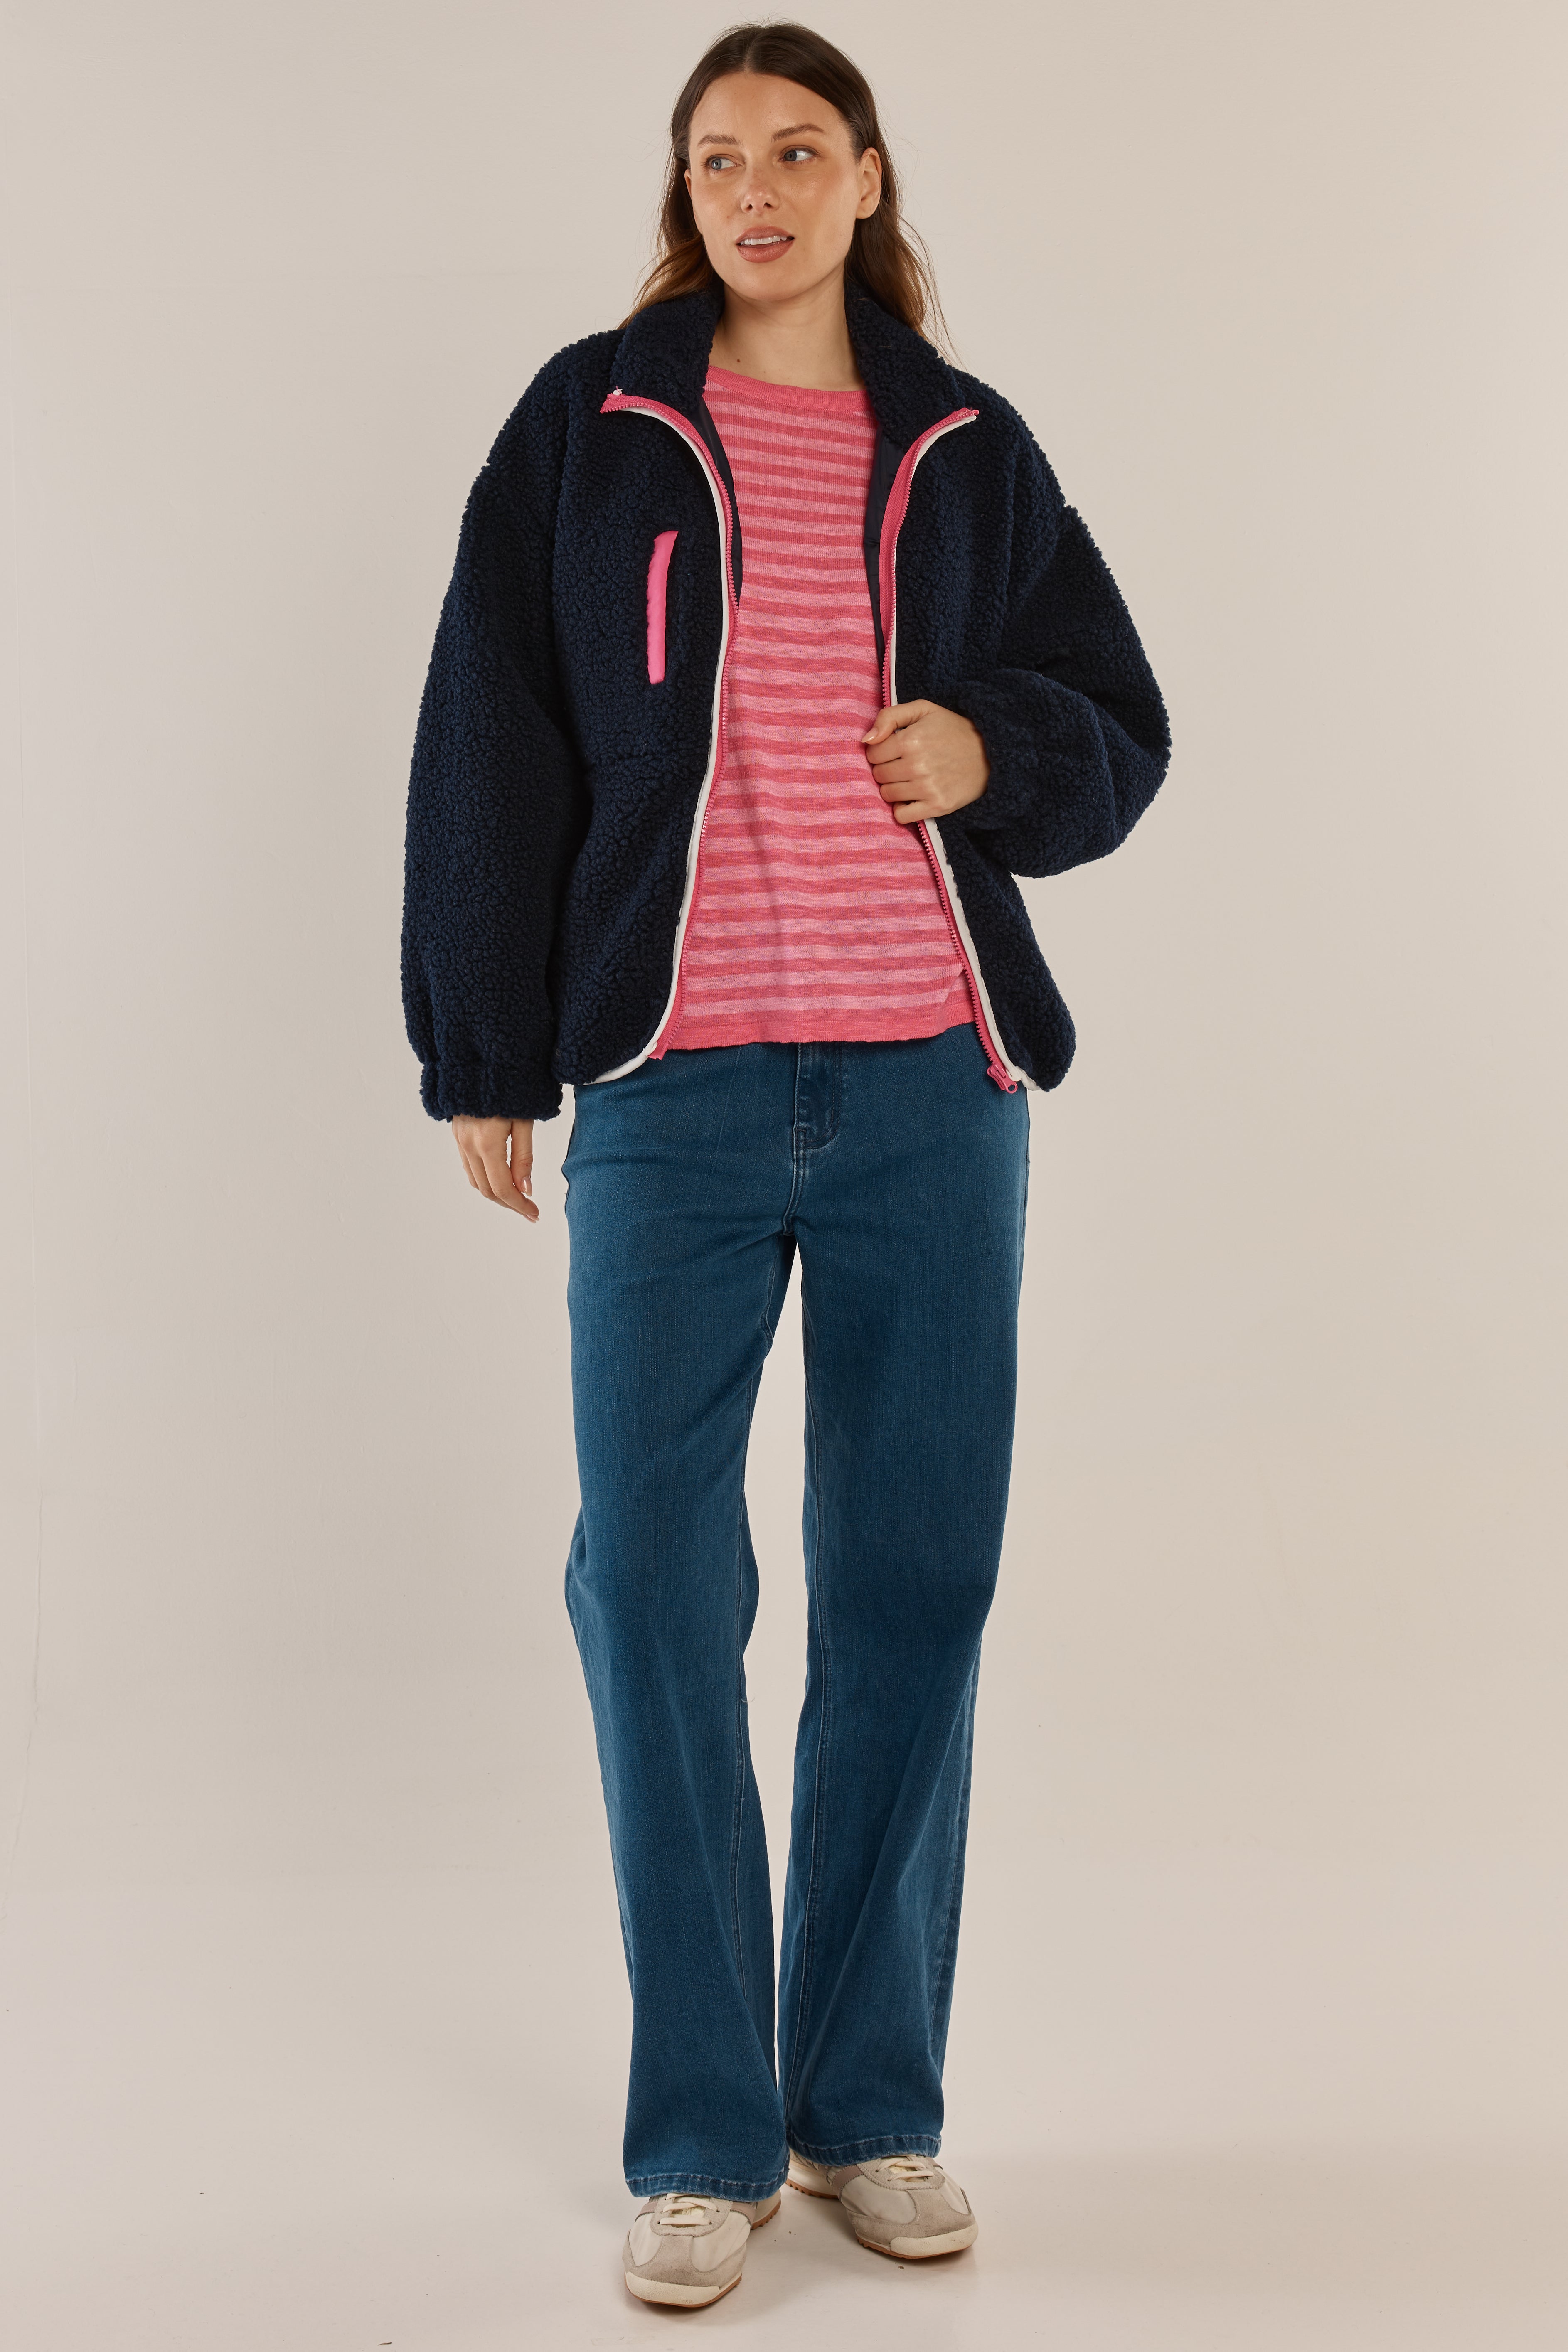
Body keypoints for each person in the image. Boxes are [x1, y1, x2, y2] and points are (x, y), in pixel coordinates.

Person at [401, 20, 1169, 2311]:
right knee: (651, 1588)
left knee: (913, 1583)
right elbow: (490, 733)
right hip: (673, 1089)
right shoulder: (592, 427)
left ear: (866, 179)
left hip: (936, 1084)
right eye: (722, 154)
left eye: (799, 150)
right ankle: (706, 2135)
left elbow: (1120, 724)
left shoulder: (965, 445)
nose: (759, 189)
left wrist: (990, 748)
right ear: (688, 186)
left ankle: (872, 2107)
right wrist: (487, 1052)